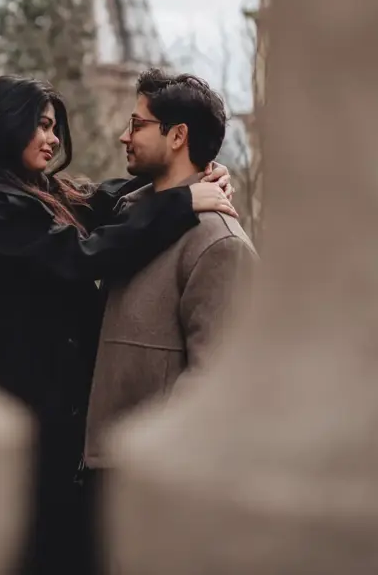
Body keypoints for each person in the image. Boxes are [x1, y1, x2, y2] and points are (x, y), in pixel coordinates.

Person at [0, 74, 235, 575]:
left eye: (55, 128)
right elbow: (79, 254)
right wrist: (181, 201)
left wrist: (193, 181)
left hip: (50, 424)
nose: (52, 139)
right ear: (7, 126)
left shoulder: (29, 191)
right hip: (22, 425)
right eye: (42, 126)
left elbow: (100, 200)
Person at [84, 69, 257, 478]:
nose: (125, 136)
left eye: (137, 124)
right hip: (100, 467)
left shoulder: (221, 245)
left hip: (147, 481)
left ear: (177, 136)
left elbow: (218, 391)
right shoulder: (131, 218)